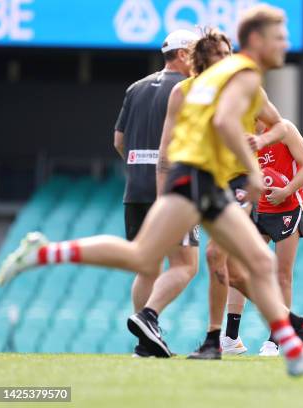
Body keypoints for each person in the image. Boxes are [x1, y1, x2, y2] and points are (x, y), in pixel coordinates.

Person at [0, 4, 303, 376]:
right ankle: (43, 252)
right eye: (280, 36)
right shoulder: (241, 73)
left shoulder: (204, 82)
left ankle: (293, 353)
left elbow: (199, 136)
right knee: (152, 257)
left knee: (247, 262)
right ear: (257, 40)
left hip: (194, 176)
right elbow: (227, 121)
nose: (286, 44)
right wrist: (252, 168)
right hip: (199, 177)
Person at [155, 28, 303, 360]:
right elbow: (179, 145)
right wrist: (252, 167)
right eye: (278, 38)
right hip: (211, 184)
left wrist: (273, 172)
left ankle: (278, 338)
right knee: (230, 262)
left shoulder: (250, 99)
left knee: (254, 264)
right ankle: (253, 334)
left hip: (277, 203)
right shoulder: (202, 94)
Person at [113, 29, 201, 358]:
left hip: (135, 190)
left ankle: (144, 345)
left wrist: (139, 169)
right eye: (194, 53)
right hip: (173, 191)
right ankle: (148, 317)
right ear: (181, 55)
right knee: (186, 265)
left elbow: (119, 141)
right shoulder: (188, 91)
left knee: (146, 267)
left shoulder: (135, 88)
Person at [219, 118, 303, 357]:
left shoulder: (284, 129)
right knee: (240, 267)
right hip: (258, 208)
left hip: (289, 206)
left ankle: (275, 340)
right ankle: (231, 336)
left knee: (282, 274)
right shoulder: (242, 138)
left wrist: (287, 190)